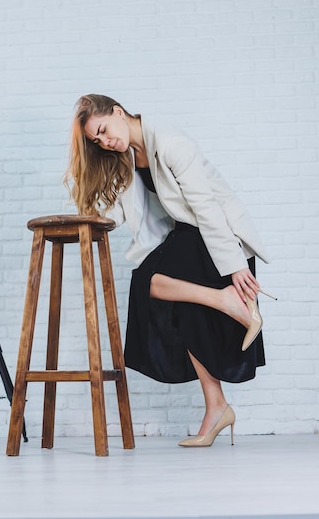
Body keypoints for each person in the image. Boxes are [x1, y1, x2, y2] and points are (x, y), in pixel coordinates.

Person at [65, 94, 271, 447]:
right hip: (190, 239)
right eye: (97, 140)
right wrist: (92, 219)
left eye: (102, 130)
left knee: (146, 282)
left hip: (218, 239)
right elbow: (129, 209)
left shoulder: (173, 144)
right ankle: (217, 405)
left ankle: (231, 302)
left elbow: (207, 210)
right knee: (181, 310)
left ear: (118, 111)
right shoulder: (130, 154)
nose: (105, 141)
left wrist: (236, 268)